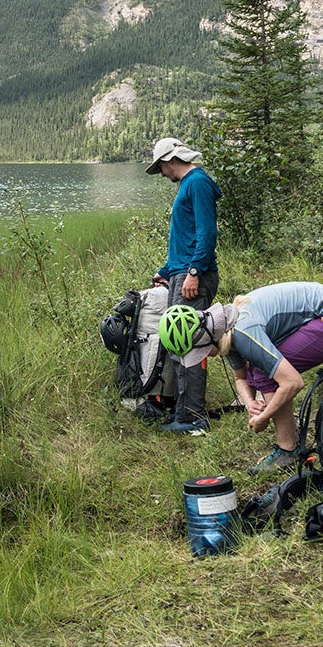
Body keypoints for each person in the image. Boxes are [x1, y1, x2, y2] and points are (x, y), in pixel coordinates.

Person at [214, 282, 323, 474]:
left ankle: (288, 450)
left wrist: (264, 417)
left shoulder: (242, 331)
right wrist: (250, 404)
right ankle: (288, 445)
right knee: (259, 370)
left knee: (264, 373)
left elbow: (293, 383)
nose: (203, 358)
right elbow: (240, 377)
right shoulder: (223, 329)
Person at [145, 136, 221, 433]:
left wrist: (193, 271)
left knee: (187, 345)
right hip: (180, 273)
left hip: (193, 277)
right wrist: (166, 270)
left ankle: (192, 419)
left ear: (170, 160)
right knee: (176, 344)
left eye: (161, 168)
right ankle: (181, 411)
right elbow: (184, 237)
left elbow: (206, 232)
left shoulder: (198, 183)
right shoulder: (187, 185)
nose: (162, 175)